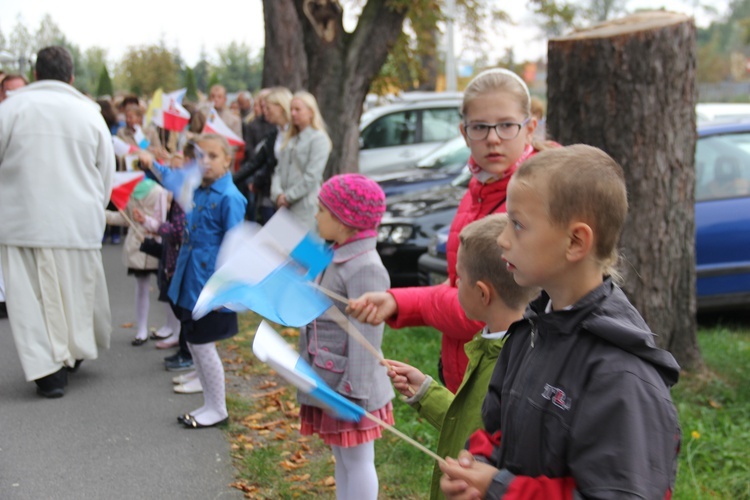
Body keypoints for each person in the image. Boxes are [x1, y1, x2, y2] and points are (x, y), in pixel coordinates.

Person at [439, 145, 682, 499]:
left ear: (575, 241)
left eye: (518, 225)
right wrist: (476, 461)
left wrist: (502, 490)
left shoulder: (620, 376)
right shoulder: (530, 333)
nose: (503, 239)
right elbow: (500, 427)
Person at [348, 68, 554, 393]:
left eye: (506, 125)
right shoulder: (477, 189)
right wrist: (396, 300)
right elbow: (460, 283)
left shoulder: (528, 205)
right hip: (470, 373)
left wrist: (404, 303)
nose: (492, 138)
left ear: (529, 129)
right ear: (464, 132)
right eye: (480, 127)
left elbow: (481, 309)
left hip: (506, 380)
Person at [385, 214, 538, 500]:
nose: (452, 289)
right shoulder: (490, 342)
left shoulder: (512, 364)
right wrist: (426, 393)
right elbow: (472, 424)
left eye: (458, 281)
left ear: (482, 293)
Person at [0, 45, 115, 398]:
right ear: (71, 77)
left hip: (22, 220)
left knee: (28, 301)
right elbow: (105, 171)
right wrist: (97, 206)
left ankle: (48, 371)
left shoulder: (10, 109)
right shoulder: (89, 114)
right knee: (75, 295)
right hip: (76, 220)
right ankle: (73, 353)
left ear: (35, 74)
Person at [299, 173, 394, 500]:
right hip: (331, 378)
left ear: (345, 220)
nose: (316, 216)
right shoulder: (334, 253)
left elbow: (367, 338)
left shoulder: (364, 266)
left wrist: (354, 391)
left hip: (351, 386)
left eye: (321, 210)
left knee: (358, 459)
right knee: (341, 456)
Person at [171, 133, 246, 427]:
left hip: (210, 286)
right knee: (193, 341)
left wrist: (224, 290)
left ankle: (218, 408)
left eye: (213, 156)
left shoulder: (230, 198)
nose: (205, 162)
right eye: (200, 156)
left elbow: (236, 247)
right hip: (189, 281)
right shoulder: (199, 191)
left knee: (203, 345)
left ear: (228, 160)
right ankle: (208, 403)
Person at [106, 178, 169, 345]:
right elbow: (125, 219)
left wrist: (145, 221)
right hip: (138, 247)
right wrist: (102, 214)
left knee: (165, 287)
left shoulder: (159, 191)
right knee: (141, 286)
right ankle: (142, 329)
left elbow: (163, 223)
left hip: (157, 244)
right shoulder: (129, 191)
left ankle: (172, 327)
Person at [271, 90, 332, 230]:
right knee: (283, 249)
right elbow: (278, 170)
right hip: (284, 207)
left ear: (311, 112)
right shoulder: (290, 139)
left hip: (305, 207)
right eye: (291, 109)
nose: (293, 113)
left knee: (305, 249)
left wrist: (288, 197)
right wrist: (277, 193)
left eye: (298, 109)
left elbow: (312, 175)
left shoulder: (318, 139)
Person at [233, 87, 292, 223]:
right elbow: (255, 162)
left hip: (291, 196)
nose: (265, 112)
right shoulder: (274, 135)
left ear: (280, 108)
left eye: (268, 108)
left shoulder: (296, 135)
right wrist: (231, 180)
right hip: (274, 193)